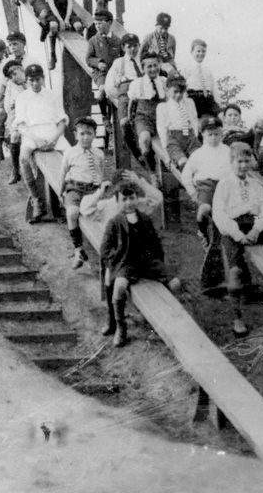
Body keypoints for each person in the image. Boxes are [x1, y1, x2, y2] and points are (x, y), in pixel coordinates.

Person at [212, 142, 263, 337]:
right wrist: (238, 234)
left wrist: (257, 230)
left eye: (246, 161)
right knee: (234, 273)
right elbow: (219, 216)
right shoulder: (224, 185)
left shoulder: (256, 185)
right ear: (231, 162)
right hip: (233, 228)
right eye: (239, 161)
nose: (243, 166)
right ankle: (238, 318)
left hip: (255, 225)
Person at [100, 180, 181, 348]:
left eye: (132, 198)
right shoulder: (114, 223)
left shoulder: (144, 219)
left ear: (137, 199)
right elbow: (105, 250)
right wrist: (110, 267)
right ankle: (120, 326)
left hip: (147, 262)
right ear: (118, 202)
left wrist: (159, 265)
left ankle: (168, 320)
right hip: (126, 263)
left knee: (175, 283)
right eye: (124, 199)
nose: (129, 203)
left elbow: (156, 244)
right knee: (120, 285)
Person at [13, 64, 67, 223]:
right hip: (32, 133)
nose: (35, 84)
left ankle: (62, 200)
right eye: (31, 80)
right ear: (27, 81)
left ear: (42, 78)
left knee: (67, 158)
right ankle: (37, 200)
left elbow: (62, 121)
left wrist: (55, 139)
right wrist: (36, 140)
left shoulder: (52, 95)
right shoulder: (22, 97)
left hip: (51, 132)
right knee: (24, 158)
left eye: (38, 80)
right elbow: (21, 125)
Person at [59, 117, 105, 269]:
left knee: (99, 216)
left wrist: (99, 190)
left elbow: (100, 172)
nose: (85, 137)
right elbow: (63, 173)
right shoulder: (70, 153)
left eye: (89, 133)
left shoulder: (98, 153)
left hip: (92, 190)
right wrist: (61, 192)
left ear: (94, 135)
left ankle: (102, 252)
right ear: (76, 134)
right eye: (82, 133)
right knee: (72, 213)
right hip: (75, 189)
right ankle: (78, 249)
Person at [181, 116, 232, 244]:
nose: (213, 138)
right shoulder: (198, 153)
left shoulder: (227, 151)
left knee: (226, 214)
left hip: (223, 186)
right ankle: (202, 232)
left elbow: (233, 170)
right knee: (204, 209)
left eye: (216, 134)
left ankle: (221, 242)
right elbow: (186, 175)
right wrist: (192, 193)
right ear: (203, 134)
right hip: (206, 186)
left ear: (221, 133)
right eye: (210, 134)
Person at [126, 53, 166, 171]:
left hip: (161, 116)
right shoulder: (137, 84)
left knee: (168, 142)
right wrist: (131, 120)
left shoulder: (164, 82)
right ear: (143, 68)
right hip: (144, 117)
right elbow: (132, 104)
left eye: (155, 65)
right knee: (144, 139)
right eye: (149, 67)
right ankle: (151, 171)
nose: (153, 69)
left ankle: (170, 174)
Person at [85, 10, 123, 135]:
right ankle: (105, 117)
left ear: (109, 23)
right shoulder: (93, 41)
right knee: (102, 90)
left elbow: (123, 57)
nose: (98, 26)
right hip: (100, 73)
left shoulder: (118, 41)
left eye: (100, 23)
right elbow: (88, 58)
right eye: (96, 24)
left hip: (114, 73)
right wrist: (98, 63)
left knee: (114, 93)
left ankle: (116, 118)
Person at [80, 169, 163, 222]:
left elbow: (158, 198)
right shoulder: (108, 205)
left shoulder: (137, 203)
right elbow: (84, 208)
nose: (128, 203)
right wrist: (100, 192)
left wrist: (139, 182)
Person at [156, 76, 199, 170]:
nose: (179, 95)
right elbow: (162, 130)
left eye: (181, 91)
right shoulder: (163, 107)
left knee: (198, 160)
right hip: (174, 139)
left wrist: (194, 138)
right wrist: (166, 154)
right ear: (167, 90)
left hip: (190, 137)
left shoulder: (189, 102)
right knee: (183, 163)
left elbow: (194, 121)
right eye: (175, 91)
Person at [221, 103, 263, 176]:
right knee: (242, 142)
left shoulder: (243, 129)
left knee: (261, 124)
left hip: (245, 140)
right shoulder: (222, 129)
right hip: (231, 142)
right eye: (230, 115)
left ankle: (258, 160)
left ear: (239, 118)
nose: (233, 117)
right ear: (224, 118)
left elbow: (247, 136)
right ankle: (256, 165)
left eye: (236, 115)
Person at [0, 58, 27, 182]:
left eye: (15, 73)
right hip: (19, 116)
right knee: (15, 136)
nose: (14, 77)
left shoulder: (31, 80)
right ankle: (15, 170)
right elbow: (8, 106)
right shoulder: (11, 85)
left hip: (32, 115)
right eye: (11, 76)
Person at [183, 38, 219, 117]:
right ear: (192, 52)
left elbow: (213, 88)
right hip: (194, 99)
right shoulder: (187, 69)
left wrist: (218, 102)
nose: (201, 53)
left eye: (203, 51)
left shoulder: (208, 70)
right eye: (198, 51)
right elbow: (183, 87)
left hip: (208, 100)